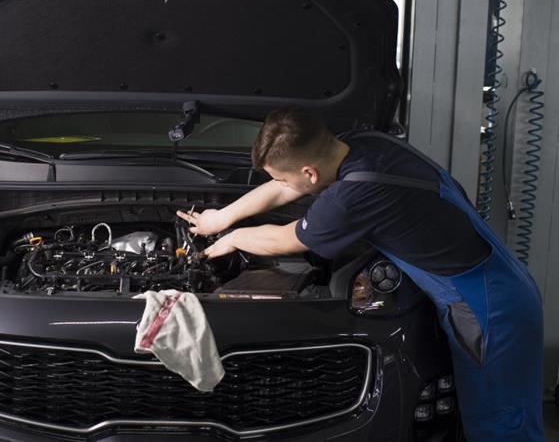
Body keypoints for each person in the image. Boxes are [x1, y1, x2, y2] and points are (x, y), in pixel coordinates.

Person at [176, 104, 544, 441]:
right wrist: (221, 218)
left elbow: (283, 240)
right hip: (495, 279)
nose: (284, 186)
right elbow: (280, 189)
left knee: (500, 422)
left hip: (487, 307)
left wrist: (234, 238)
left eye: (287, 179)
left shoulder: (354, 197)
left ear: (309, 172)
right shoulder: (360, 144)